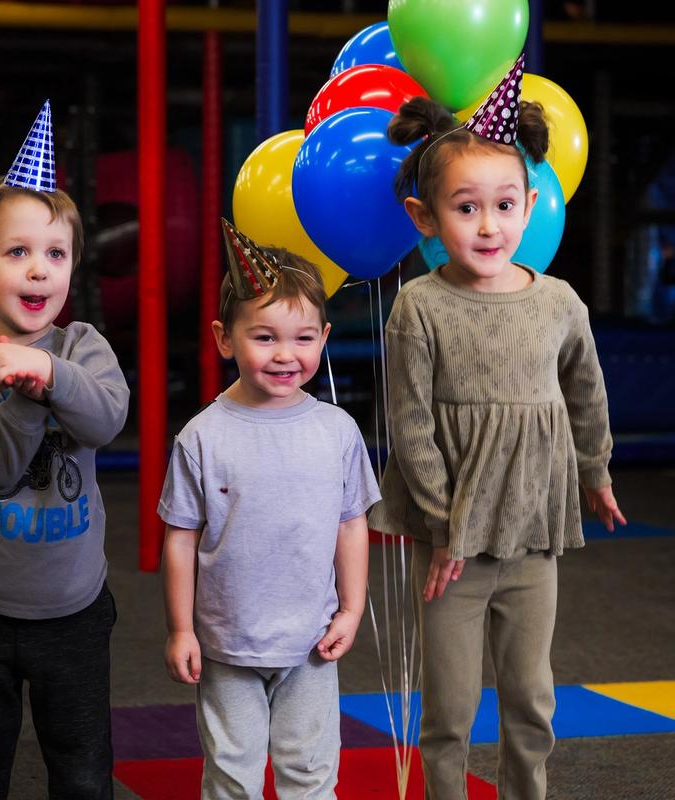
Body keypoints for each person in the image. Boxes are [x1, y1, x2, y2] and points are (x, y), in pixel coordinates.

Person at [367, 55, 626, 800]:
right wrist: (446, 526)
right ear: (426, 217)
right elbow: (410, 424)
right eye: (466, 207)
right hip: (453, 548)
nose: (489, 225)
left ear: (531, 204)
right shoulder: (419, 306)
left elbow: (586, 393)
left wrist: (596, 472)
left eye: (506, 205)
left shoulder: (559, 302)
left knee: (531, 700)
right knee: (448, 711)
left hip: (533, 534)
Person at [0, 101, 129, 800]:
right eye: (16, 252)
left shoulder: (84, 348)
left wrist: (49, 374)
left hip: (72, 611)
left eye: (55, 254)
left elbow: (105, 420)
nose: (39, 271)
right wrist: (22, 388)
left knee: (81, 772)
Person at [158, 218, 381, 799]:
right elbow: (180, 538)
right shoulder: (202, 437)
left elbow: (351, 521)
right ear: (223, 338)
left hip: (310, 641)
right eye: (265, 337)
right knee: (232, 775)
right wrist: (181, 628)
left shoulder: (337, 430)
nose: (287, 355)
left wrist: (352, 609)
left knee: (310, 773)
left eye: (304, 338)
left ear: (325, 337)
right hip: (227, 642)